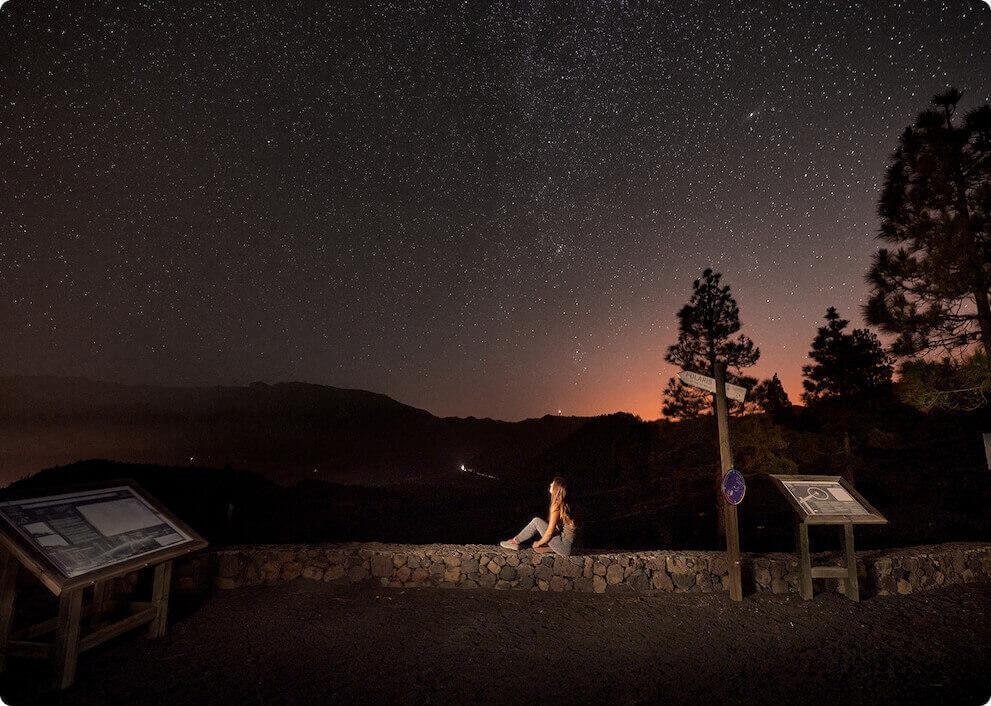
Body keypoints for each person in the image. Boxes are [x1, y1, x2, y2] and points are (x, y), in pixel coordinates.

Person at [500, 476, 577, 557]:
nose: (550, 485)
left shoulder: (556, 506)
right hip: (567, 546)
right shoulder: (564, 505)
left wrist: (538, 543)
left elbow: (549, 533)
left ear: (556, 489)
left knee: (536, 521)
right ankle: (551, 548)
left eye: (552, 484)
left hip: (564, 548)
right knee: (538, 549)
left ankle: (514, 542)